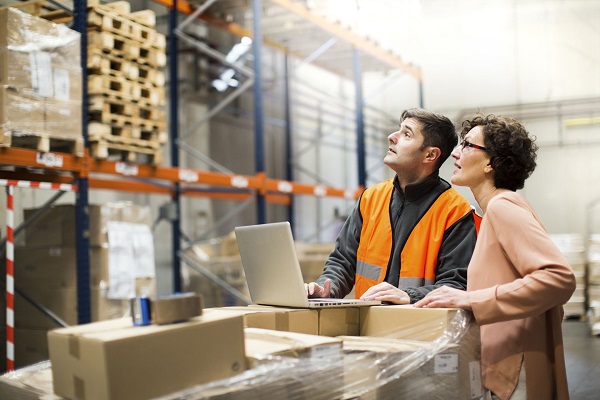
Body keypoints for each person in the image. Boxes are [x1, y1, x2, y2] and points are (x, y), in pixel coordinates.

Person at [414, 114, 576, 400]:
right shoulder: (495, 210)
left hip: (516, 371)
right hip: (508, 363)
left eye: (467, 145)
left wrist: (471, 299)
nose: (455, 152)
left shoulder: (504, 206)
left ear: (491, 162)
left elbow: (558, 278)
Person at [305, 107, 479, 304]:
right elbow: (342, 261)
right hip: (366, 326)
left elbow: (456, 285)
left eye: (406, 134)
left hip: (421, 329)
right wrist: (326, 289)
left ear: (430, 155)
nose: (391, 137)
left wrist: (410, 296)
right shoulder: (371, 198)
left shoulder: (454, 212)